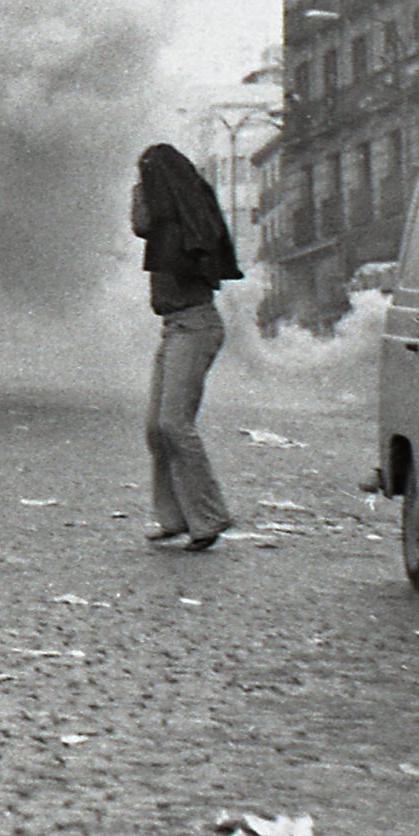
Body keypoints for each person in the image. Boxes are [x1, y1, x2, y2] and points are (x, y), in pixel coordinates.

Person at [130, 143, 243, 552]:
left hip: (195, 327)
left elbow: (143, 222)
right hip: (174, 327)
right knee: (156, 428)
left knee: (174, 424)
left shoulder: (181, 224)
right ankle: (174, 517)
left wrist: (140, 191)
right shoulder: (170, 225)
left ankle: (209, 518)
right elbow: (145, 225)